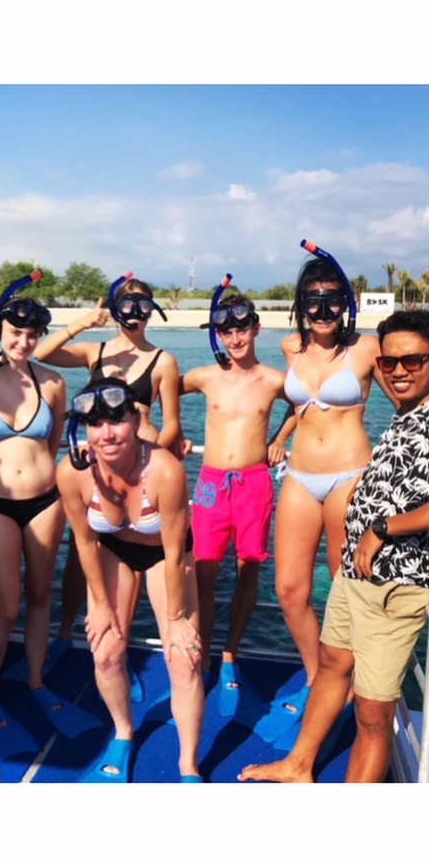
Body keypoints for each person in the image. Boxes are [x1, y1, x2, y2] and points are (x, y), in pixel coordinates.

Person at [240, 310, 429, 782]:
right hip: (357, 571)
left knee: (373, 714)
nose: (398, 371)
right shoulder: (408, 414)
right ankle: (298, 765)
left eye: (413, 361)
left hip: (394, 585)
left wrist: (384, 527)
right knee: (332, 664)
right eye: (389, 362)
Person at [250, 257, 396, 745]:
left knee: (343, 591)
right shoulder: (290, 346)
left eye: (332, 299)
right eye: (312, 300)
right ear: (301, 304)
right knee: (289, 590)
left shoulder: (366, 348)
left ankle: (349, 686)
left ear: (346, 303)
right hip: (298, 475)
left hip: (349, 477)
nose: (322, 309)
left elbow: (406, 401)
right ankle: (319, 679)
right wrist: (279, 436)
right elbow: (301, 405)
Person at [0, 295, 101, 760]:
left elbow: (54, 445)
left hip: (45, 503)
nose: (24, 341)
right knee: (4, 607)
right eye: (16, 332)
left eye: (32, 335)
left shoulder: (52, 382)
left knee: (40, 595)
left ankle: (36, 681)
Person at [57, 377, 203, 782]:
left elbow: (174, 550)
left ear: (136, 421)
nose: (107, 434)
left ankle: (188, 765)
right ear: (83, 429)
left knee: (184, 658)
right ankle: (123, 733)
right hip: (113, 550)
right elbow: (85, 543)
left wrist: (176, 619)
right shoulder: (72, 473)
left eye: (116, 421)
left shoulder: (165, 471)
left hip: (165, 555)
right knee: (104, 651)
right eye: (95, 424)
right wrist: (102, 606)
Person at [33, 278, 182, 669]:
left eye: (143, 307)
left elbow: (171, 423)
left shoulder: (162, 361)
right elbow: (42, 352)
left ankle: (122, 647)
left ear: (152, 311)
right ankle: (67, 634)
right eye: (127, 306)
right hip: (98, 469)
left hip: (141, 471)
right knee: (81, 554)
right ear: (116, 310)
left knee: (137, 558)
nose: (135, 315)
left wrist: (150, 458)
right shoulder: (95, 351)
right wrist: (85, 322)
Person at [180, 294, 291, 716]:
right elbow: (161, 387)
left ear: (256, 328)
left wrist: (279, 439)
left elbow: (304, 404)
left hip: (254, 483)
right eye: (226, 331)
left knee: (248, 570)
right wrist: (172, 431)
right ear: (218, 335)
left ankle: (229, 653)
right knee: (203, 572)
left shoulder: (274, 380)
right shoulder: (205, 376)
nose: (235, 338)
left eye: (242, 329)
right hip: (211, 484)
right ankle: (203, 655)